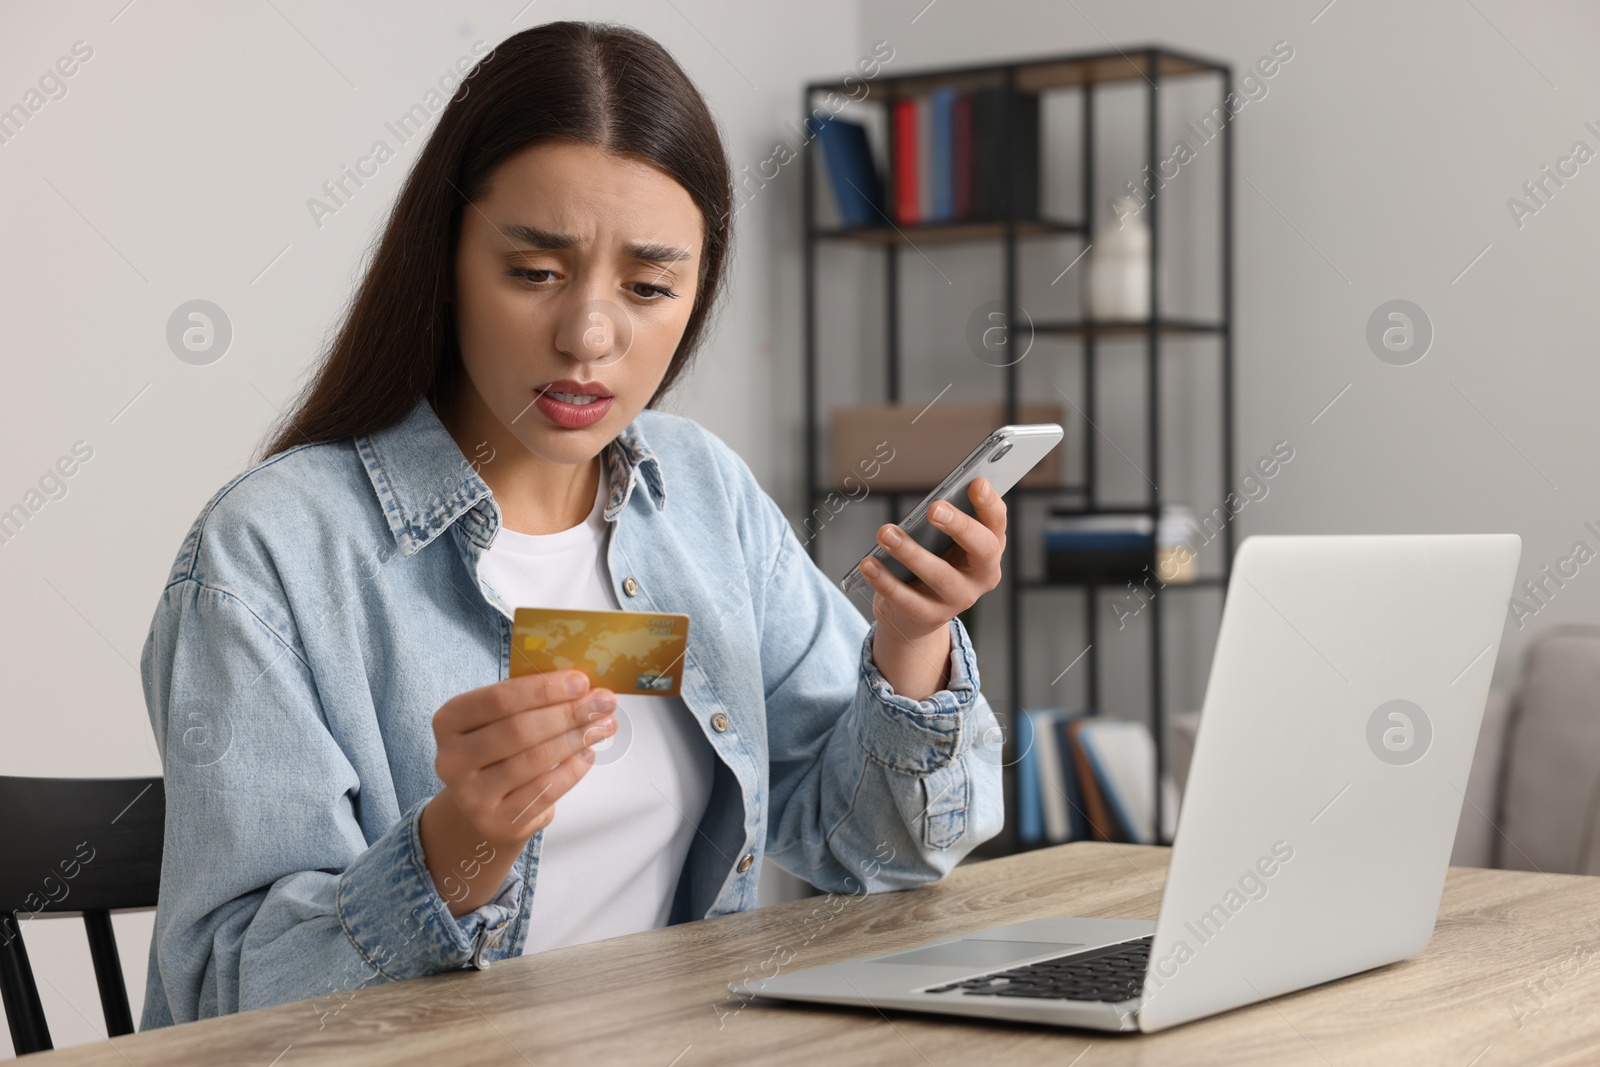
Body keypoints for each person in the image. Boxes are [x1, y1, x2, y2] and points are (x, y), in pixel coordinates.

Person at [139, 20, 1005, 1029]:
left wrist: (909, 646)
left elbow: (876, 852)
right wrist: (455, 848)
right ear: (446, 260)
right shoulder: (270, 552)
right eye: (535, 272)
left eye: (648, 286)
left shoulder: (700, 495)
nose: (589, 336)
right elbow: (225, 997)